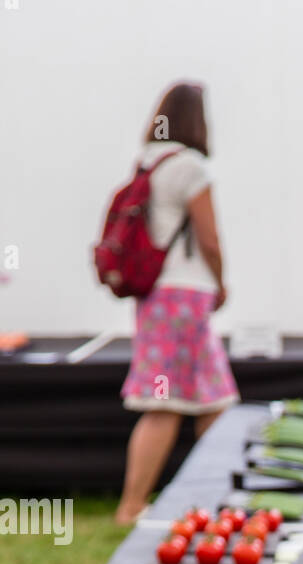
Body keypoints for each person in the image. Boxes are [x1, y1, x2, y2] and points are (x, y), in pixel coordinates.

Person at [116, 82, 238, 525]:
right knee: (164, 401)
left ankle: (210, 500)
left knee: (214, 401)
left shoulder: (148, 163)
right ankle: (131, 506)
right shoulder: (190, 167)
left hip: (156, 299)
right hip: (184, 299)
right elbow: (210, 238)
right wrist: (222, 283)